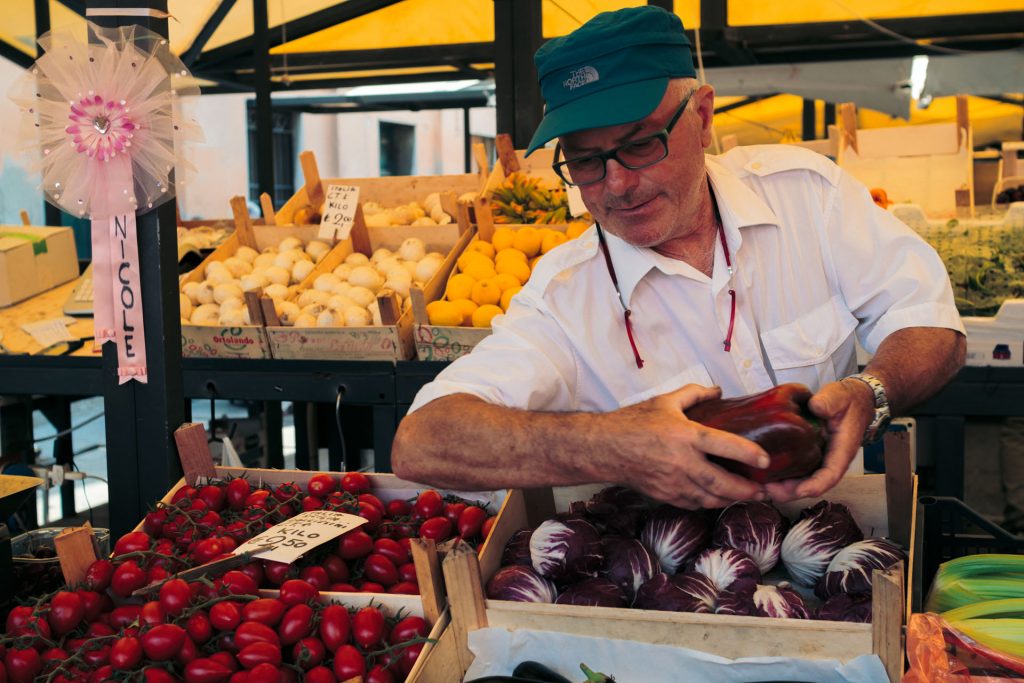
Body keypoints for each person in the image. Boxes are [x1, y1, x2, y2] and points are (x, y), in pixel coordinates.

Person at [392, 6, 965, 509]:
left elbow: (931, 322)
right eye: (585, 161)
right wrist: (613, 445)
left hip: (838, 538)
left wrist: (873, 391)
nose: (616, 184)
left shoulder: (807, 197)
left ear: (703, 116)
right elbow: (422, 440)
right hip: (675, 586)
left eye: (641, 144)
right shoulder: (565, 297)